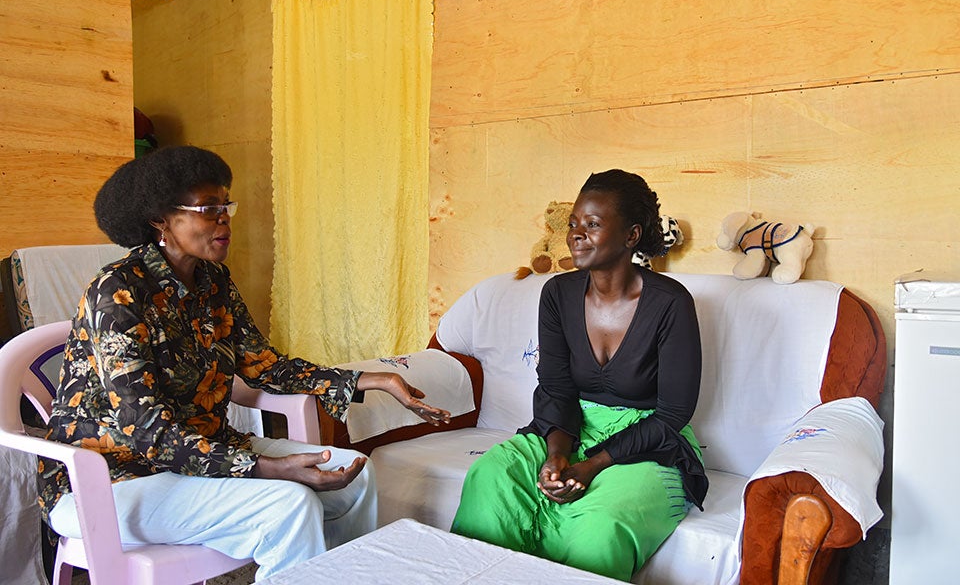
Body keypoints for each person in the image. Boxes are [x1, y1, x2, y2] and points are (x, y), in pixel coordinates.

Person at [37, 145, 451, 580]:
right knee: (288, 504)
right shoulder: (116, 293)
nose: (224, 219)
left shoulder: (213, 281)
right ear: (161, 219)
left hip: (201, 451)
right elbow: (146, 429)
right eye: (208, 208)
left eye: (225, 205)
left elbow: (263, 365)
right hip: (110, 479)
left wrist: (378, 380)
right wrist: (265, 471)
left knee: (354, 479)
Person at [451, 169, 708, 581]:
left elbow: (673, 414)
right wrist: (557, 455)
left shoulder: (671, 303)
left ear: (631, 235)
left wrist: (591, 466)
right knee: (491, 477)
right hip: (566, 427)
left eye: (592, 224)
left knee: (599, 526)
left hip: (647, 441)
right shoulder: (557, 294)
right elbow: (556, 388)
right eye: (573, 223)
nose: (576, 234)